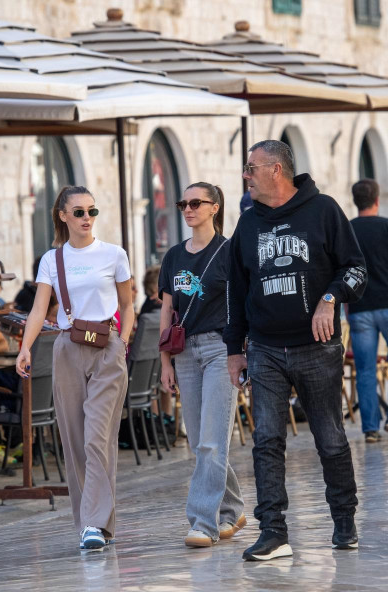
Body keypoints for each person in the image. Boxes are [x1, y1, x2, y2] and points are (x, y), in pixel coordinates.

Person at [224, 139, 367, 561]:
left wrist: (330, 298)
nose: (245, 174)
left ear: (276, 171)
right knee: (266, 439)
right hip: (265, 349)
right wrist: (235, 349)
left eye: (251, 167)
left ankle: (344, 521)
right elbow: (236, 290)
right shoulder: (247, 226)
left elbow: (357, 269)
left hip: (317, 348)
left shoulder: (324, 211)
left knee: (330, 438)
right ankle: (273, 531)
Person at [15, 185, 133, 551]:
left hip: (108, 348)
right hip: (67, 347)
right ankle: (92, 525)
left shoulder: (114, 254)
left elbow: (128, 304)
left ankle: (95, 522)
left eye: (92, 211)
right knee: (75, 439)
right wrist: (25, 348)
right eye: (79, 212)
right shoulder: (52, 259)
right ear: (63, 216)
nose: (86, 218)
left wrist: (124, 342)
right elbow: (38, 310)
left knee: (98, 436)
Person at [159, 181, 244, 549]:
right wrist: (165, 362)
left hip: (219, 349)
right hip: (184, 353)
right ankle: (233, 509)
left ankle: (202, 522)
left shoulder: (229, 252)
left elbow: (243, 306)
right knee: (199, 442)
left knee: (212, 440)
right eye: (183, 203)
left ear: (215, 207)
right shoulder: (174, 256)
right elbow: (167, 310)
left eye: (196, 203)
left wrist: (240, 352)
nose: (188, 209)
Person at [348, 179, 388, 442]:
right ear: (377, 200)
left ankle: (370, 429)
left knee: (364, 369)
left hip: (359, 306)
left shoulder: (348, 229)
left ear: (355, 201)